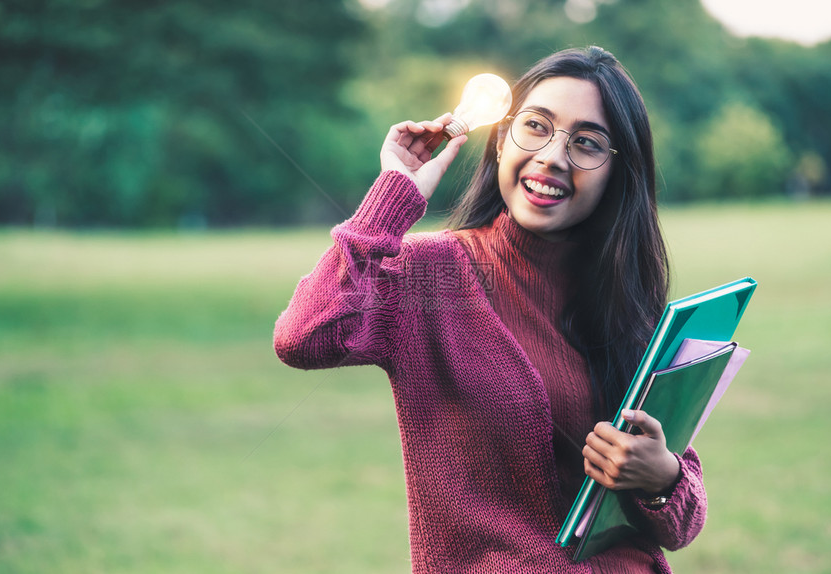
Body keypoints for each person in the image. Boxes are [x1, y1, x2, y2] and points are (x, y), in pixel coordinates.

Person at [274, 46, 706, 573]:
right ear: (501, 140)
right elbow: (304, 338)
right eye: (536, 127)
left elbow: (681, 526)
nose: (552, 156)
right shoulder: (429, 274)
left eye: (587, 143)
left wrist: (662, 478)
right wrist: (391, 200)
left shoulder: (627, 302)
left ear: (617, 172)